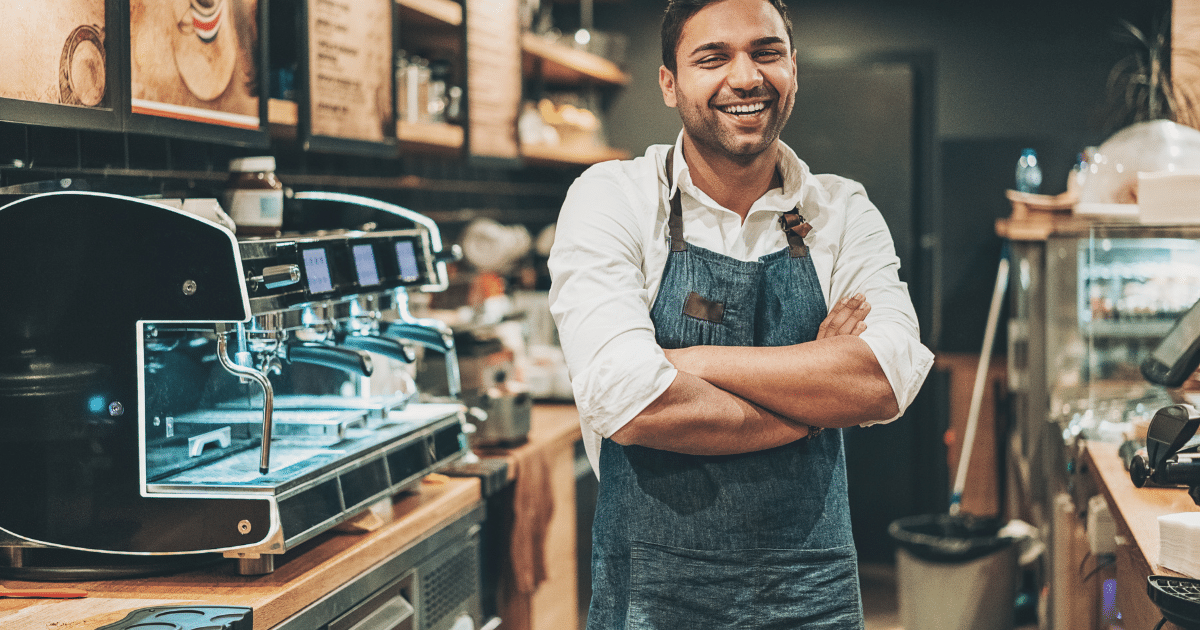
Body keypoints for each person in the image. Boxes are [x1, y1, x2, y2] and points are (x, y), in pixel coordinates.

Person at [547, 0, 934, 627]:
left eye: (766, 51)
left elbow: (883, 379)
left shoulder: (841, 209)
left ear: (793, 68)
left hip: (811, 589)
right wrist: (811, 405)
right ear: (670, 83)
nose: (746, 76)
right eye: (712, 57)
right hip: (652, 591)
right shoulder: (613, 197)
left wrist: (690, 362)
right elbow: (632, 399)